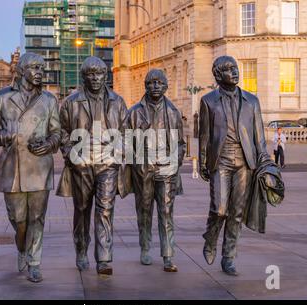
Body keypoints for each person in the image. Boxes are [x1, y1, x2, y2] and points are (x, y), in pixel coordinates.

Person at [0, 53, 61, 283]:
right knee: (18, 219)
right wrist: (5, 136)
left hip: (39, 167)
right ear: (22, 70)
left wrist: (47, 144)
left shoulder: (49, 100)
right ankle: (22, 248)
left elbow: (58, 133)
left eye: (41, 68)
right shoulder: (3, 97)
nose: (39, 72)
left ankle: (34, 262)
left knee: (37, 218)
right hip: (12, 166)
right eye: (35, 67)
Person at [198, 56, 271, 276]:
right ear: (219, 75)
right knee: (219, 209)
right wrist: (202, 160)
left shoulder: (252, 101)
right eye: (229, 69)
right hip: (221, 160)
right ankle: (210, 238)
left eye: (235, 68)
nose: (235, 72)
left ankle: (228, 257)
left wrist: (265, 162)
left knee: (237, 212)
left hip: (245, 162)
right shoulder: (208, 101)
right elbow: (204, 135)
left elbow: (259, 137)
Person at [56, 57, 128, 276]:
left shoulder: (118, 101)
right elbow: (62, 131)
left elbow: (125, 131)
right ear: (83, 76)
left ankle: (104, 258)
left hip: (107, 163)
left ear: (106, 75)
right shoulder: (71, 102)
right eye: (90, 74)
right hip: (82, 163)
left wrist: (119, 151)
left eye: (99, 74)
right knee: (82, 209)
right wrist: (70, 153)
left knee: (105, 209)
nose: (95, 78)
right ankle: (81, 248)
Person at [127, 69, 186, 272]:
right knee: (144, 211)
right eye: (151, 82)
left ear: (166, 86)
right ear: (145, 85)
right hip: (143, 168)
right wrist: (135, 163)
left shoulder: (174, 112)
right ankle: (145, 248)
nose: (155, 86)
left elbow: (181, 144)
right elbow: (126, 143)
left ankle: (168, 254)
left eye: (159, 83)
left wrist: (174, 163)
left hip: (166, 169)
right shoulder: (134, 112)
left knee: (166, 211)